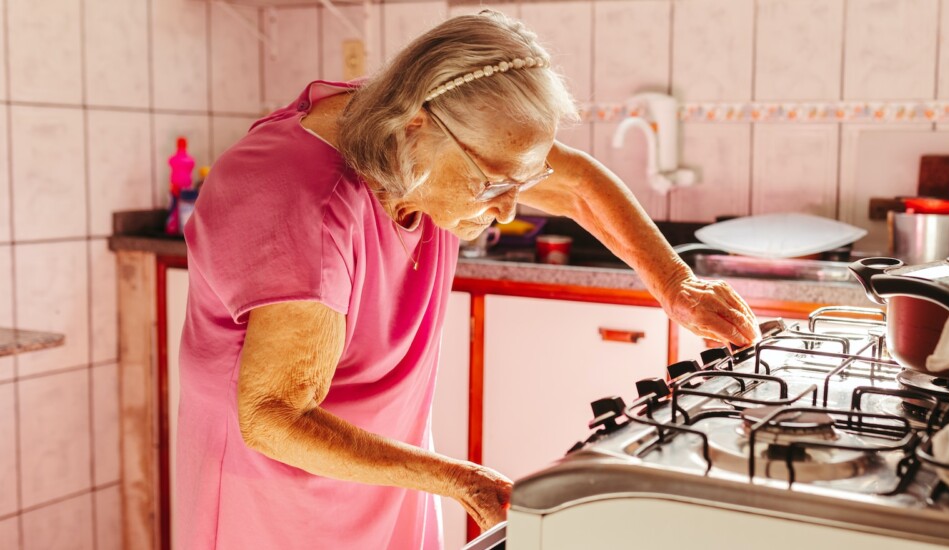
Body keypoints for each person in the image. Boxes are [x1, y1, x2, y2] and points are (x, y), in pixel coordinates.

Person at [177, 10, 759, 549]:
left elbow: (576, 183)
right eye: (491, 186)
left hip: (390, 466)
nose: (508, 212)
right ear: (414, 127)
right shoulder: (299, 199)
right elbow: (274, 416)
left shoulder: (423, 130)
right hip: (280, 495)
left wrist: (677, 285)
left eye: (517, 184)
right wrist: (461, 480)